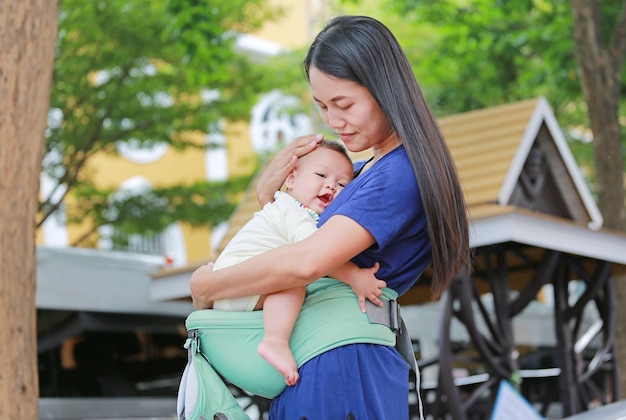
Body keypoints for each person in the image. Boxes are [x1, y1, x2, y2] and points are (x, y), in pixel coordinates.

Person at [190, 15, 470, 419]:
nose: (332, 121)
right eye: (322, 106)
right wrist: (271, 199)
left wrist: (208, 286)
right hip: (324, 358)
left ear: (384, 90)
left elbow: (306, 260)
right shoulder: (364, 172)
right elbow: (294, 239)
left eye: (343, 104)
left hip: (339, 362)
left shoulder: (397, 174)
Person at [211, 140, 385, 387]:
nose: (330, 185)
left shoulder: (288, 211)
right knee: (294, 279)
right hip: (237, 285)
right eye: (321, 175)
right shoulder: (293, 211)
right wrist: (355, 276)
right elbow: (317, 254)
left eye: (341, 184)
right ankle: (275, 342)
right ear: (291, 180)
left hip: (233, 289)